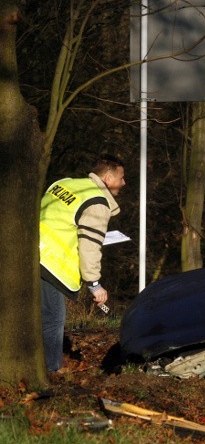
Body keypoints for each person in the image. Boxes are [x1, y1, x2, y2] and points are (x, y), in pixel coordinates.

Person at [39, 155, 126, 372]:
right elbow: (89, 246)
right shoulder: (98, 203)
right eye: (121, 178)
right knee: (53, 319)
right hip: (51, 263)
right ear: (108, 178)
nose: (124, 183)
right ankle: (51, 370)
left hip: (29, 253)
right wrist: (94, 284)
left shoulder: (66, 184)